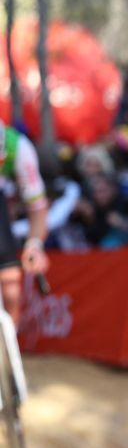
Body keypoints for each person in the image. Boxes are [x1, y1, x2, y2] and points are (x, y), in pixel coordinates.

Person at [0, 121, 49, 325]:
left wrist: (34, 245)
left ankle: (7, 347)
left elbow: (37, 207)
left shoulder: (19, 148)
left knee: (10, 286)